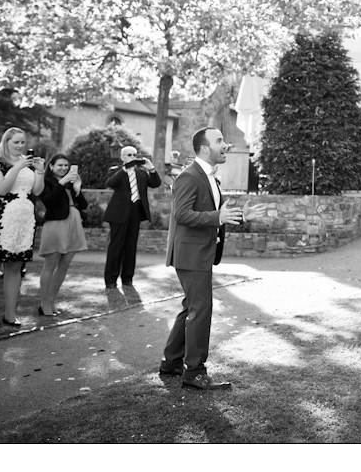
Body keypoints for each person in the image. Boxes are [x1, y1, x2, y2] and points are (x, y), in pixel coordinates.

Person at [159, 127, 261, 390]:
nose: (225, 145)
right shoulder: (189, 176)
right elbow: (182, 214)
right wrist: (217, 217)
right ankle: (194, 372)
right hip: (191, 254)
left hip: (201, 254)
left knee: (191, 307)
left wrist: (241, 216)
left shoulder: (211, 178)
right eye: (219, 141)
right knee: (200, 310)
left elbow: (216, 213)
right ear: (205, 148)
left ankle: (171, 362)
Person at [0, 127, 46, 329]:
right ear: (6, 142)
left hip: (24, 220)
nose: (19, 146)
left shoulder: (28, 165)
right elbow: (0, 189)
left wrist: (40, 170)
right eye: (15, 142)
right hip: (1, 220)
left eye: (22, 142)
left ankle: (10, 314)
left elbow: (36, 191)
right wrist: (17, 167)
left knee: (15, 267)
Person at [103, 144, 162, 288]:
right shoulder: (115, 170)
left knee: (130, 247)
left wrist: (152, 169)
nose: (132, 158)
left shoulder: (142, 173)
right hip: (118, 214)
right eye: (129, 155)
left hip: (135, 214)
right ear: (122, 157)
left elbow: (156, 183)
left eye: (134, 155)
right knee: (116, 247)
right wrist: (124, 169)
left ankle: (127, 279)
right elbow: (111, 183)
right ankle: (110, 280)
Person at [36, 153, 88, 316]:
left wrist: (77, 189)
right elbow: (49, 202)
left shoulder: (71, 183)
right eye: (60, 165)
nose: (64, 168)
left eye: (66, 165)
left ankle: (51, 300)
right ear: (51, 166)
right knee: (50, 264)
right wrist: (62, 183)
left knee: (64, 264)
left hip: (74, 223)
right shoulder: (46, 182)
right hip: (56, 224)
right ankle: (44, 303)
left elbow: (84, 205)